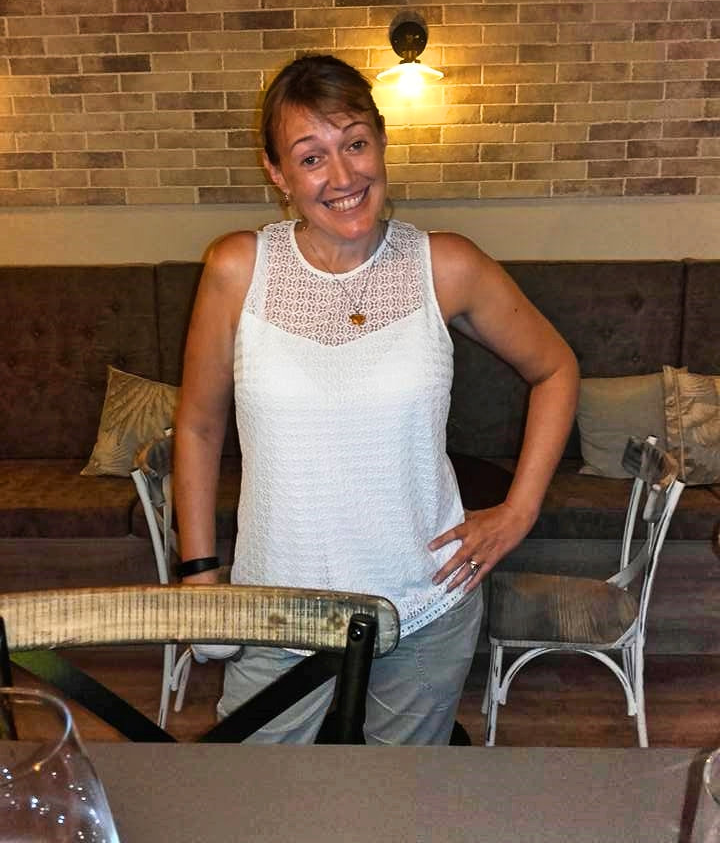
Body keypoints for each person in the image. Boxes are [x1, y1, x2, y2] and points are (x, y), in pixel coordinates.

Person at [173, 53, 580, 745]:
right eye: (311, 157)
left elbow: (556, 369)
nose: (343, 176)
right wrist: (200, 571)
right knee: (256, 792)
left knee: (400, 795)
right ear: (277, 173)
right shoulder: (238, 268)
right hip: (275, 607)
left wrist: (519, 510)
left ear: (382, 143)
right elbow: (199, 426)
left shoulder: (445, 264)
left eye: (356, 143)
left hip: (423, 605)